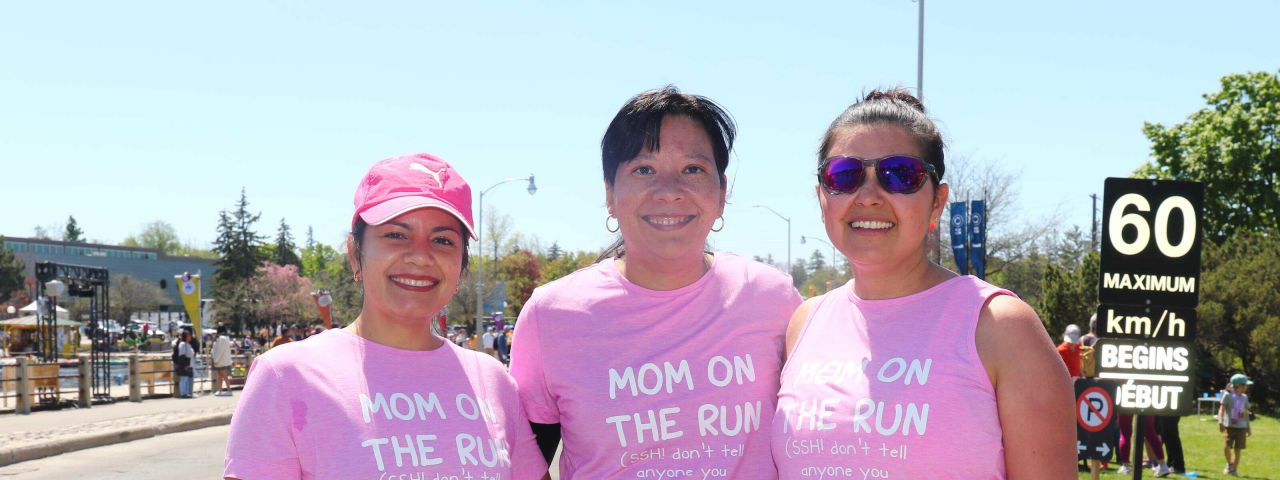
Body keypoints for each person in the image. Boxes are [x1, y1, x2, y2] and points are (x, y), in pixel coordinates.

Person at [772, 89, 1076, 478]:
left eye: (900, 174)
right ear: (821, 197)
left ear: (937, 202)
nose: (868, 196)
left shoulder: (1000, 326)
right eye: (844, 175)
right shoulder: (805, 322)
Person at [509, 86, 802, 479]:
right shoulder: (551, 315)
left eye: (693, 170)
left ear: (721, 194)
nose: (669, 191)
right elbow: (524, 465)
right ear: (610, 194)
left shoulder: (773, 299)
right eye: (643, 169)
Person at [224, 153, 545, 479]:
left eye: (442, 240)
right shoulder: (286, 376)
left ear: (461, 265)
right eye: (396, 234)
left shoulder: (494, 381)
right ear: (355, 254)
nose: (420, 256)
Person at [1218, 373, 1253, 476]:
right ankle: (1229, 464)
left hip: (1241, 427)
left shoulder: (1244, 397)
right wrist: (1220, 421)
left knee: (1238, 449)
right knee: (1226, 446)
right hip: (1229, 426)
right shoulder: (1228, 395)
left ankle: (1233, 469)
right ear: (1238, 386)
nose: (1247, 387)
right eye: (1245, 385)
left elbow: (1245, 414)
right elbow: (1221, 409)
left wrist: (1248, 427)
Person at [211, 325, 233, 396]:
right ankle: (220, 390)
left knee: (222, 375)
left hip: (221, 360)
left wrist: (215, 359)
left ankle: (228, 390)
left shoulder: (221, 339)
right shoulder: (226, 338)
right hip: (224, 359)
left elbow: (219, 350)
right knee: (221, 375)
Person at [172, 329, 194, 398]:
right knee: (183, 379)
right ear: (185, 336)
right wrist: (185, 365)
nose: (190, 337)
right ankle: (183, 393)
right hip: (184, 364)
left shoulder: (187, 344)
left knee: (186, 379)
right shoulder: (182, 344)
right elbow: (181, 355)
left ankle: (186, 393)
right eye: (189, 336)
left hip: (187, 363)